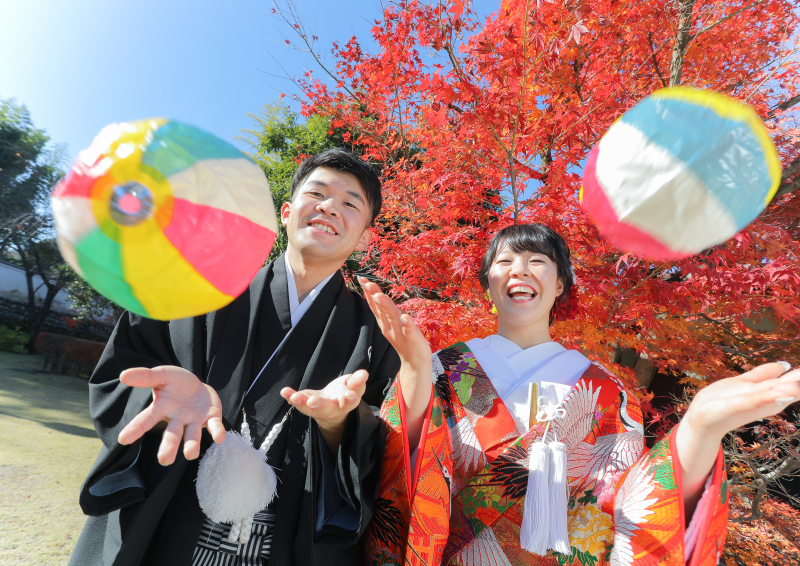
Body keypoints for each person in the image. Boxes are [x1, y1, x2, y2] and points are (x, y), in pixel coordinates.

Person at [360, 223, 800, 566]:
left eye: (537, 261)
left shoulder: (603, 388)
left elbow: (631, 503)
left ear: (560, 285)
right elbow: (401, 462)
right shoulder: (446, 365)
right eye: (505, 261)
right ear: (488, 282)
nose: (519, 270)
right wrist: (414, 370)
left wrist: (699, 430)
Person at [69, 148, 401, 566]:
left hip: (285, 542)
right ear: (286, 212)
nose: (329, 207)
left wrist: (340, 425)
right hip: (169, 524)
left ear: (366, 236)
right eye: (317, 193)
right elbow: (121, 371)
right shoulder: (195, 286)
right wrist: (157, 405)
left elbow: (388, 450)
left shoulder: (376, 335)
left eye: (350, 204)